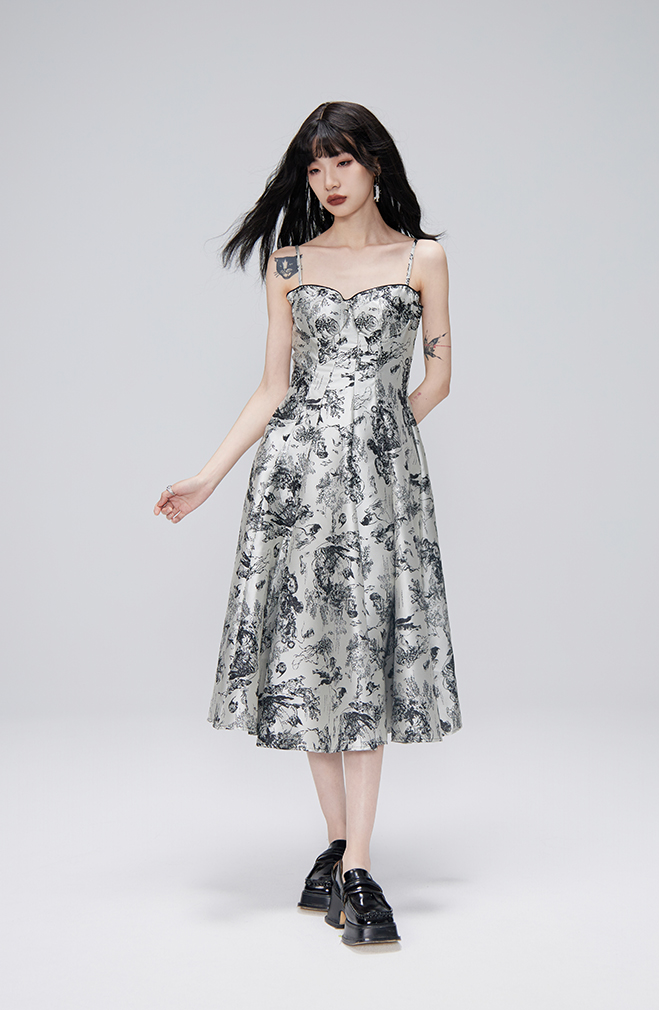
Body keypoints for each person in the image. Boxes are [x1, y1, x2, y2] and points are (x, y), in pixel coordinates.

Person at [153, 101, 461, 946]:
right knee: (314, 654)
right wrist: (209, 477)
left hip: (382, 489)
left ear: (375, 164)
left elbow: (439, 379)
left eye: (343, 162)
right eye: (316, 167)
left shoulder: (424, 258)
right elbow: (272, 389)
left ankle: (355, 866)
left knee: (365, 654)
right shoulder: (287, 264)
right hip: (295, 480)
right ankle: (342, 853)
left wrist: (380, 441)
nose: (328, 181)